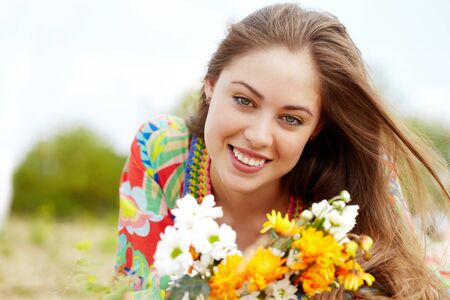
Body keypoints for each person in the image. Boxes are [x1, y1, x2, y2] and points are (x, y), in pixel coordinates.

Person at [115, 3, 450, 298]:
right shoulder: (161, 151)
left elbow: (417, 288)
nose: (259, 136)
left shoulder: (353, 193)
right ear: (211, 84)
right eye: (244, 101)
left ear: (316, 127)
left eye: (291, 119)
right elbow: (136, 288)